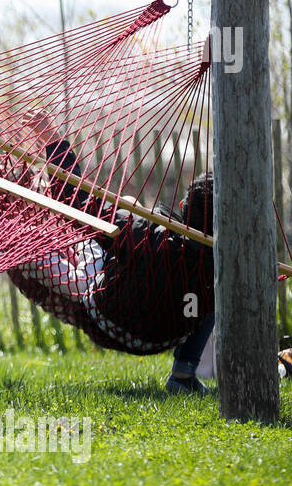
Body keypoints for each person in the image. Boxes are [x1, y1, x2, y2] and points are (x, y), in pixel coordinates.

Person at [14, 110, 215, 395]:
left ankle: (27, 216)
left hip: (110, 319)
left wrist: (54, 141)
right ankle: (183, 374)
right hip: (165, 336)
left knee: (96, 228)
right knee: (213, 293)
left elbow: (79, 207)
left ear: (183, 206)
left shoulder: (144, 235)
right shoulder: (224, 263)